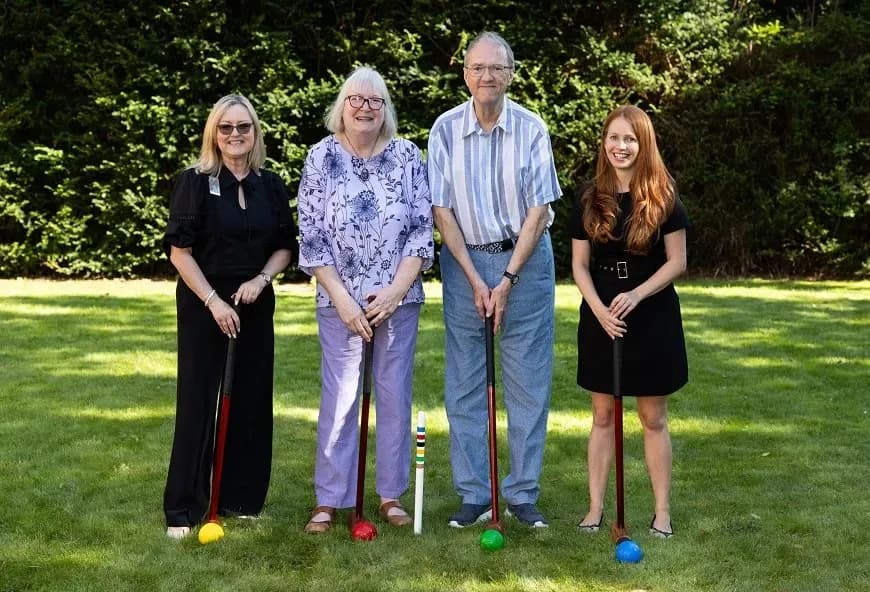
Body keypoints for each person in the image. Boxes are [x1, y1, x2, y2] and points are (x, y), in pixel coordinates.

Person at [428, 32, 562, 529]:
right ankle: (475, 493)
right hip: (464, 262)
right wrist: (473, 276)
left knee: (527, 382)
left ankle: (522, 494)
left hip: (525, 263)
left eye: (496, 68)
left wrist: (506, 278)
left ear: (510, 73)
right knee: (464, 382)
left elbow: (539, 209)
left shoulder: (531, 128)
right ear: (465, 73)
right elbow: (441, 210)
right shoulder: (443, 129)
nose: (487, 76)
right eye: (477, 68)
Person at [297, 66, 434, 534]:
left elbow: (421, 230)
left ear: (386, 109)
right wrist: (343, 299)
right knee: (340, 399)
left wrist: (396, 291)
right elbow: (311, 238)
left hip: (399, 299)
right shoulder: (319, 157)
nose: (365, 108)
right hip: (339, 302)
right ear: (342, 104)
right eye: (356, 99)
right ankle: (329, 500)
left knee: (394, 397)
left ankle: (391, 496)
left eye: (375, 101)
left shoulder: (408, 155)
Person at [162, 94, 297, 539]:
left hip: (255, 301)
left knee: (252, 399)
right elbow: (179, 253)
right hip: (205, 303)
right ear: (213, 134)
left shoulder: (270, 184)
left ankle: (240, 498)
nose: (235, 135)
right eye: (226, 128)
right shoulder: (194, 182)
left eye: (243, 127)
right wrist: (214, 302)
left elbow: (284, 246)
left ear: (255, 132)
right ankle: (184, 507)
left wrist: (261, 279)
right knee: (199, 400)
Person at [570, 104, 689, 539]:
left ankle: (661, 512)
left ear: (644, 144)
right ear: (604, 142)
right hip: (602, 317)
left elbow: (677, 262)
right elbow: (579, 265)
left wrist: (637, 294)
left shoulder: (663, 194)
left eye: (630, 139)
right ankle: (595, 509)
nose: (620, 147)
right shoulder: (588, 196)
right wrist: (599, 309)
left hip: (651, 314)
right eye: (613, 138)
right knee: (602, 416)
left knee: (653, 417)